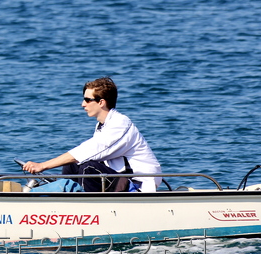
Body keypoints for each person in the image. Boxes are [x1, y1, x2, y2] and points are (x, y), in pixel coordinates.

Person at [23, 77, 162, 192]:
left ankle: (83, 207)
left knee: (88, 167)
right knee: (73, 165)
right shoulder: (102, 125)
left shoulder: (120, 124)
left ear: (101, 102)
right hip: (121, 178)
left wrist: (42, 166)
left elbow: (89, 150)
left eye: (87, 100)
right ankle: (64, 197)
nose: (83, 104)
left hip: (138, 185)